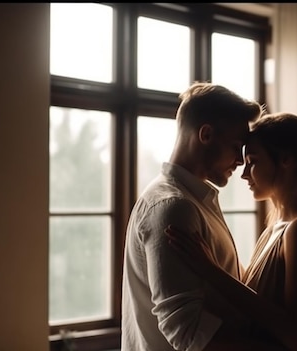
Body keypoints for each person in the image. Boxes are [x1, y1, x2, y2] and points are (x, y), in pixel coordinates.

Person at [121, 82, 286, 351]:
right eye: (236, 146)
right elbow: (187, 334)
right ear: (206, 134)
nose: (242, 161)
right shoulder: (174, 207)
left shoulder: (196, 201)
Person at [166, 112, 297, 351]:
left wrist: (211, 271)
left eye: (253, 161)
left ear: (285, 160)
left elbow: (294, 334)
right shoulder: (274, 228)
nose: (244, 174)